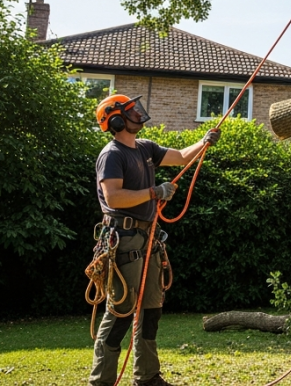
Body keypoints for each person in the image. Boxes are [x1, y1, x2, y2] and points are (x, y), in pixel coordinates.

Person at [89, 94, 220, 386]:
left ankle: (147, 378)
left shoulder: (146, 148)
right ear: (117, 120)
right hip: (122, 241)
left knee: (151, 310)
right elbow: (113, 196)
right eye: (131, 110)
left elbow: (183, 157)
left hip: (147, 239)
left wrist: (205, 140)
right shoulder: (112, 155)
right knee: (121, 312)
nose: (139, 113)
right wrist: (153, 192)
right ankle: (101, 382)